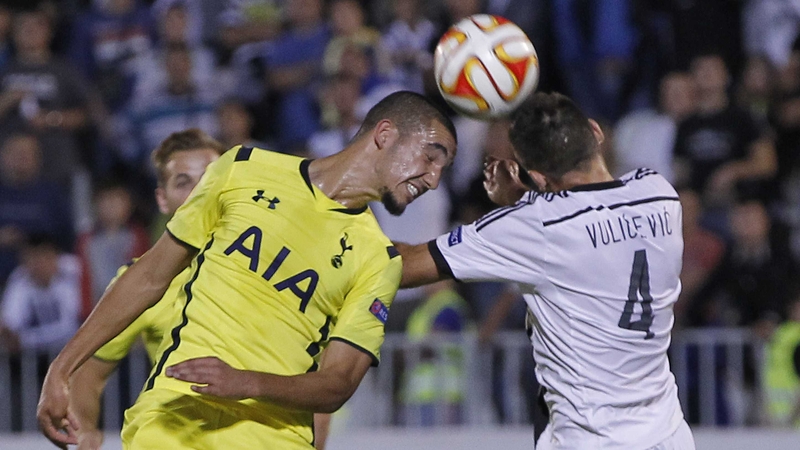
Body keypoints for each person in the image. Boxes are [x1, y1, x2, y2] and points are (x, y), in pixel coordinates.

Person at [37, 90, 457, 450]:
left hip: (269, 438)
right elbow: (150, 275)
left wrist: (248, 383)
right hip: (170, 423)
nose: (435, 179)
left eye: (443, 169)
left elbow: (338, 383)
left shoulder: (376, 260)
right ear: (385, 134)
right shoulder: (244, 168)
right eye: (431, 156)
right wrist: (62, 369)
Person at [398, 92, 695, 449]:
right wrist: (525, 201)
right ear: (596, 132)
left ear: (536, 174)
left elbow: (403, 267)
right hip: (668, 436)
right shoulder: (659, 193)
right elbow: (590, 215)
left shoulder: (536, 226)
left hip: (591, 440)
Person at [67, 128, 226, 450]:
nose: (199, 191)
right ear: (162, 199)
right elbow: (89, 373)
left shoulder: (280, 266)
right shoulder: (139, 281)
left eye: (210, 178)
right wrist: (85, 428)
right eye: (183, 182)